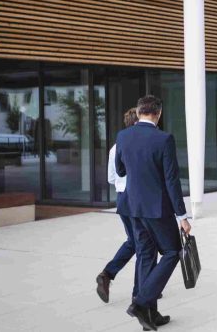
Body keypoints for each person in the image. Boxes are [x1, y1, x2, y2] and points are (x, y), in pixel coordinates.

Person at [115, 95, 191, 331]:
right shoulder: (164, 139)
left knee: (147, 255)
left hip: (133, 207)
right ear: (158, 114)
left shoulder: (123, 136)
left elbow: (120, 170)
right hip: (157, 209)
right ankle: (142, 302)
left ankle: (150, 315)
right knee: (172, 251)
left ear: (139, 113)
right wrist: (182, 216)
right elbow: (172, 180)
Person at [96, 108, 139, 304]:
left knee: (134, 241)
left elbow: (111, 178)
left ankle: (107, 275)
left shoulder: (115, 147)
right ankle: (141, 291)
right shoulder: (139, 145)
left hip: (122, 199)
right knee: (145, 244)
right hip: (138, 199)